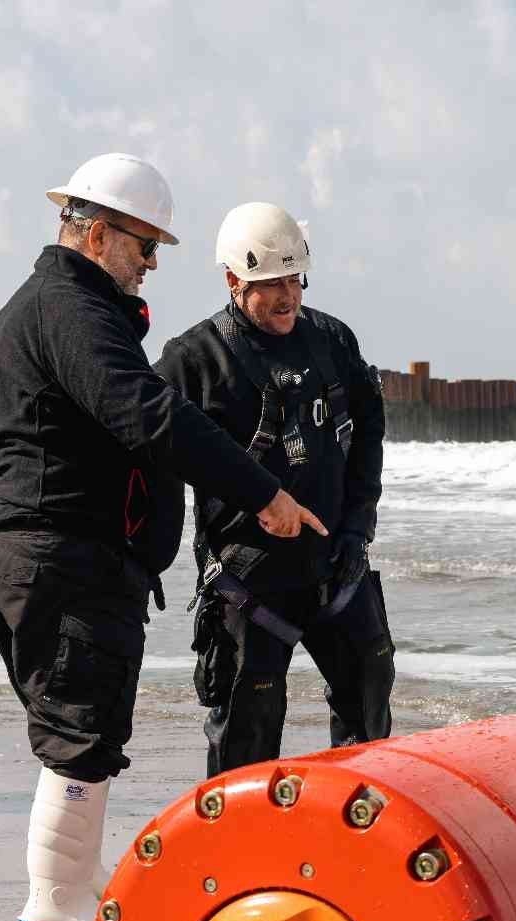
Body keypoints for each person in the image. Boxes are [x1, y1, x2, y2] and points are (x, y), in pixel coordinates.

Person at [0, 154, 327, 921]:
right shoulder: (74, 312)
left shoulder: (31, 309)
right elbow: (149, 416)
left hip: (39, 553)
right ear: (96, 235)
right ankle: (58, 903)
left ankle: (71, 877)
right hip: (66, 554)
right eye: (143, 246)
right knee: (81, 728)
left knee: (78, 724)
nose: (152, 265)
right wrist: (264, 491)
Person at [155, 201, 392, 778]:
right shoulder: (191, 361)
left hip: (337, 566)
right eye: (269, 284)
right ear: (234, 281)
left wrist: (359, 526)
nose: (287, 296)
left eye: (294, 279)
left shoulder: (333, 340)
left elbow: (368, 435)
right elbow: (153, 456)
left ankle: (352, 848)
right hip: (249, 581)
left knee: (369, 715)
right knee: (246, 739)